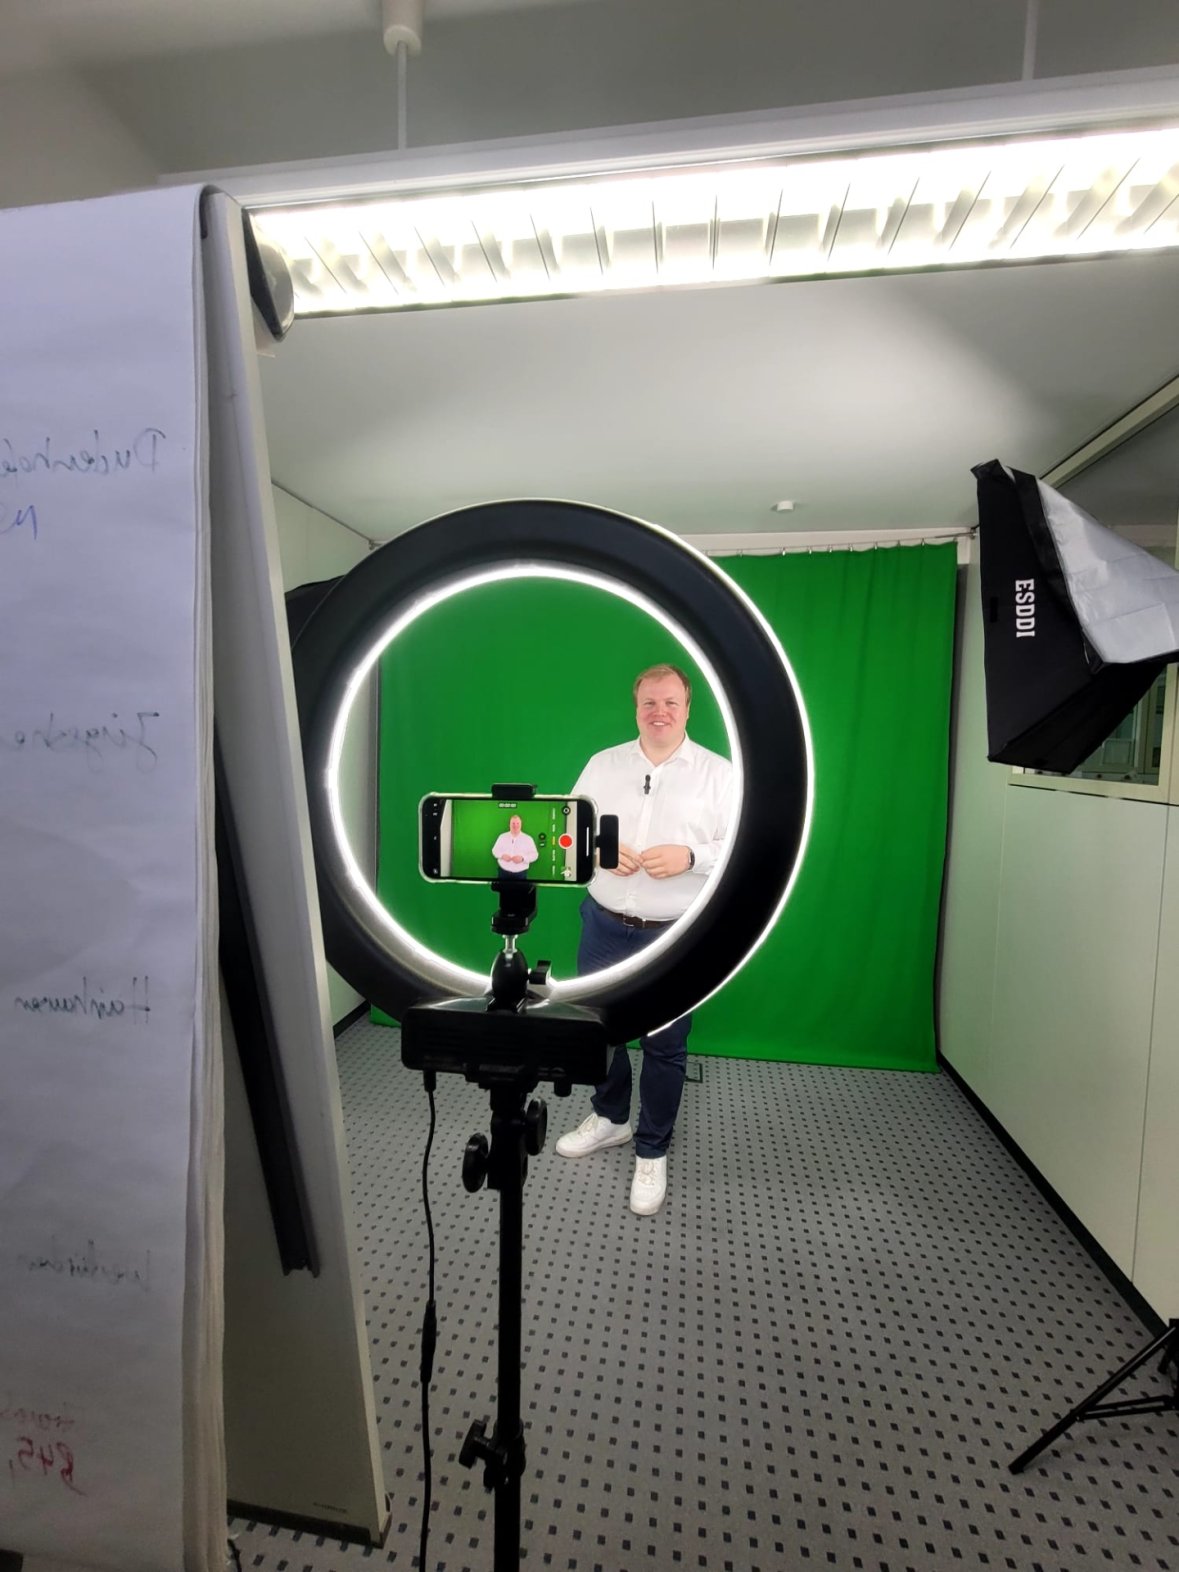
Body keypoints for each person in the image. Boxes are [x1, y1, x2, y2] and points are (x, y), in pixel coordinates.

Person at [555, 663, 732, 1216]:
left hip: (676, 936)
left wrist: (692, 857)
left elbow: (742, 848)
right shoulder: (603, 765)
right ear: (636, 707)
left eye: (670, 703)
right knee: (598, 1032)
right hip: (604, 923)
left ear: (688, 708)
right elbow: (562, 835)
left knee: (664, 1045)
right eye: (649, 702)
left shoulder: (719, 775)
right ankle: (611, 1119)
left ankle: (652, 1149)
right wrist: (596, 851)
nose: (659, 712)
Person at [490, 813, 538, 879]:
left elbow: (535, 855)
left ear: (521, 824)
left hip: (520, 874)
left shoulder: (528, 839)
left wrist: (523, 858)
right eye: (513, 823)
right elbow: (494, 850)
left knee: (520, 889)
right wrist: (502, 855)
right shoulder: (502, 837)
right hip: (503, 873)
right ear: (509, 824)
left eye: (518, 823)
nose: (515, 825)